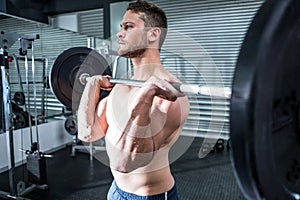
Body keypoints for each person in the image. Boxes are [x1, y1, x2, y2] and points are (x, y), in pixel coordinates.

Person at [77, 0, 190, 199]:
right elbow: (88, 133)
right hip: (115, 191)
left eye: (128, 27)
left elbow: (127, 161)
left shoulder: (170, 97)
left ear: (153, 34)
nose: (120, 33)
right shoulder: (120, 86)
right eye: (121, 27)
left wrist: (145, 95)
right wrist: (91, 87)